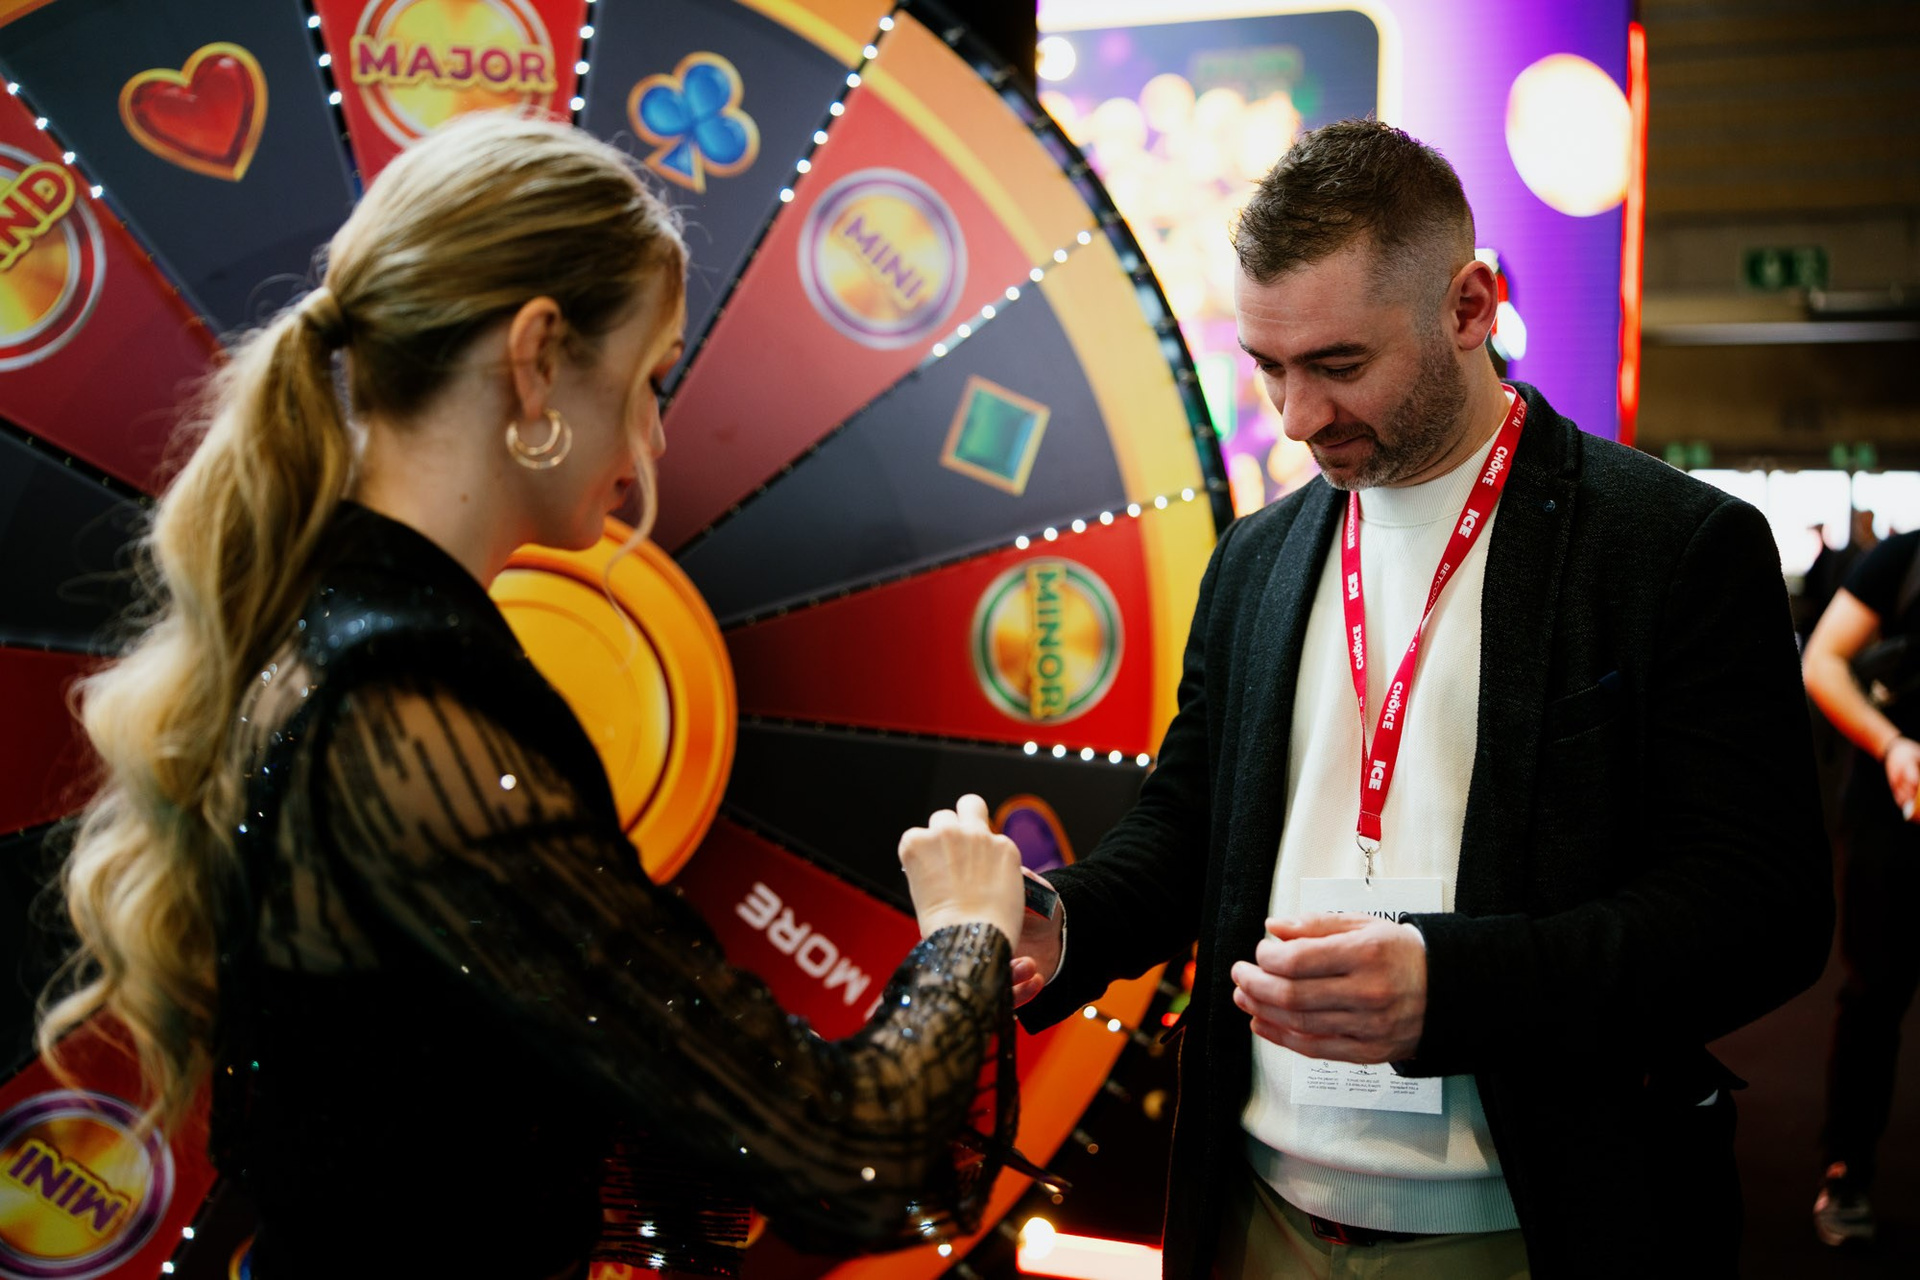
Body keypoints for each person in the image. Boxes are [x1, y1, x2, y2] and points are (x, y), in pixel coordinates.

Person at [37, 114, 1026, 1279]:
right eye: (652, 380)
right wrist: (968, 929)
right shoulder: (407, 707)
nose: (655, 436)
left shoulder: (321, 625)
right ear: (539, 356)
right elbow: (846, 1153)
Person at [1009, 120, 1831, 1278]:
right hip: (1256, 1199)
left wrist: (1454, 987)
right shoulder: (1255, 557)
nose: (1297, 416)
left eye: (1340, 366)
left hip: (1532, 1217)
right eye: (1269, 368)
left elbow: (1764, 911)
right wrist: (1062, 921)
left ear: (1470, 306)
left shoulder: (1670, 546)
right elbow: (1191, 827)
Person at [1802, 524, 1920, 1248]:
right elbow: (1822, 661)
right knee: (1874, 996)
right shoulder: (1905, 559)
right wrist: (1892, 744)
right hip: (1894, 811)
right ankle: (1846, 1170)